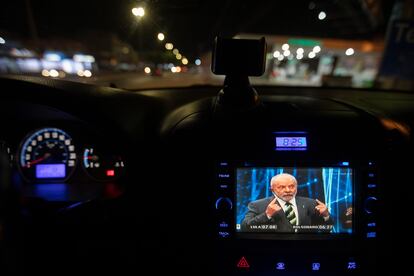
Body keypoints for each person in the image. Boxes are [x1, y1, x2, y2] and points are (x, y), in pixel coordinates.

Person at [241, 173, 333, 232]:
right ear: (272, 189)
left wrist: (326, 216)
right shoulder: (257, 205)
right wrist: (267, 215)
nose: (288, 190)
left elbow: (327, 229)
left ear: (296, 187)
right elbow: (245, 228)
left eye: (292, 186)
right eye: (282, 187)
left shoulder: (311, 203)